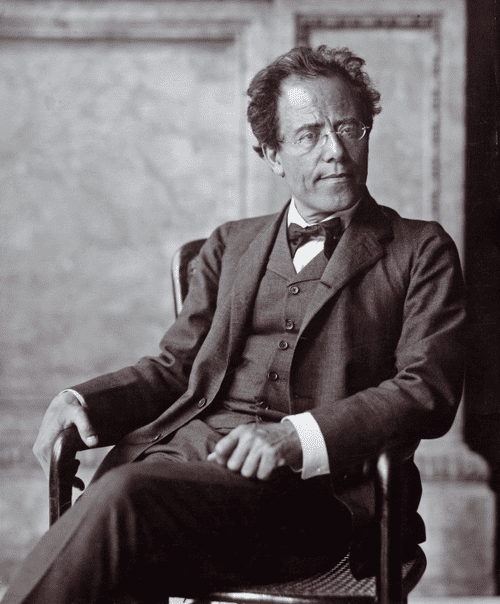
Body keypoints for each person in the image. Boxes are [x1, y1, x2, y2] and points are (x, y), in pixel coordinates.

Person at [4, 45, 466, 604]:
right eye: (309, 135)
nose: (336, 150)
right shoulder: (231, 244)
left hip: (309, 498)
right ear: (273, 155)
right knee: (122, 513)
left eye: (349, 128)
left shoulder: (420, 249)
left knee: (123, 505)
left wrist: (295, 438)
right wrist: (83, 399)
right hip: (175, 465)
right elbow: (175, 367)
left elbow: (426, 391)